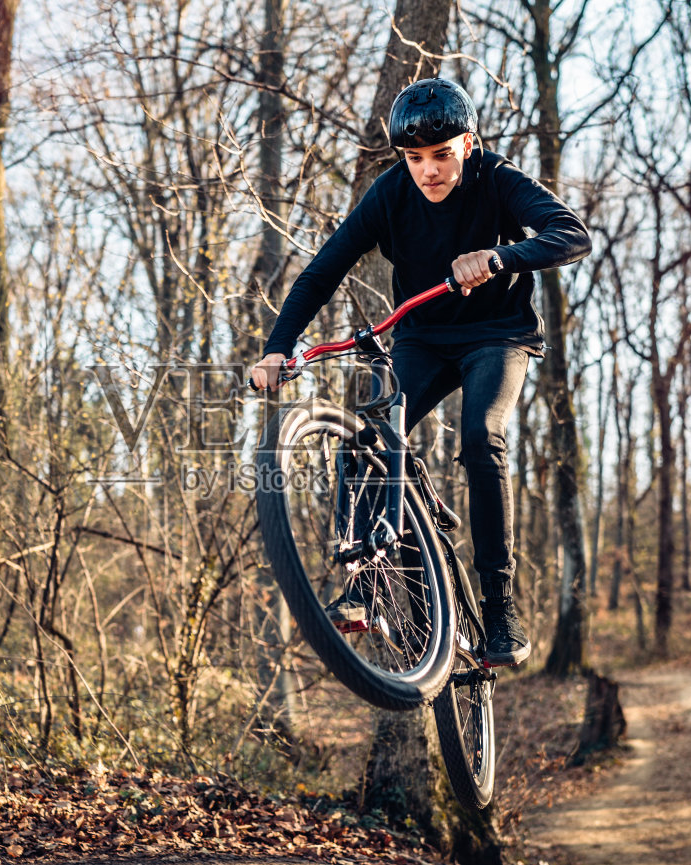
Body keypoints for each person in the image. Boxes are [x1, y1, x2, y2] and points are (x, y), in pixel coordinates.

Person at [249, 78, 591, 667]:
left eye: (442, 155)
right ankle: (369, 586)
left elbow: (572, 236)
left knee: (482, 438)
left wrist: (500, 257)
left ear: (468, 143)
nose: (428, 171)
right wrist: (279, 347)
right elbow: (321, 272)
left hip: (497, 335)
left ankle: (501, 612)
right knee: (365, 445)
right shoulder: (390, 195)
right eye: (414, 159)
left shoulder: (497, 178)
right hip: (422, 338)